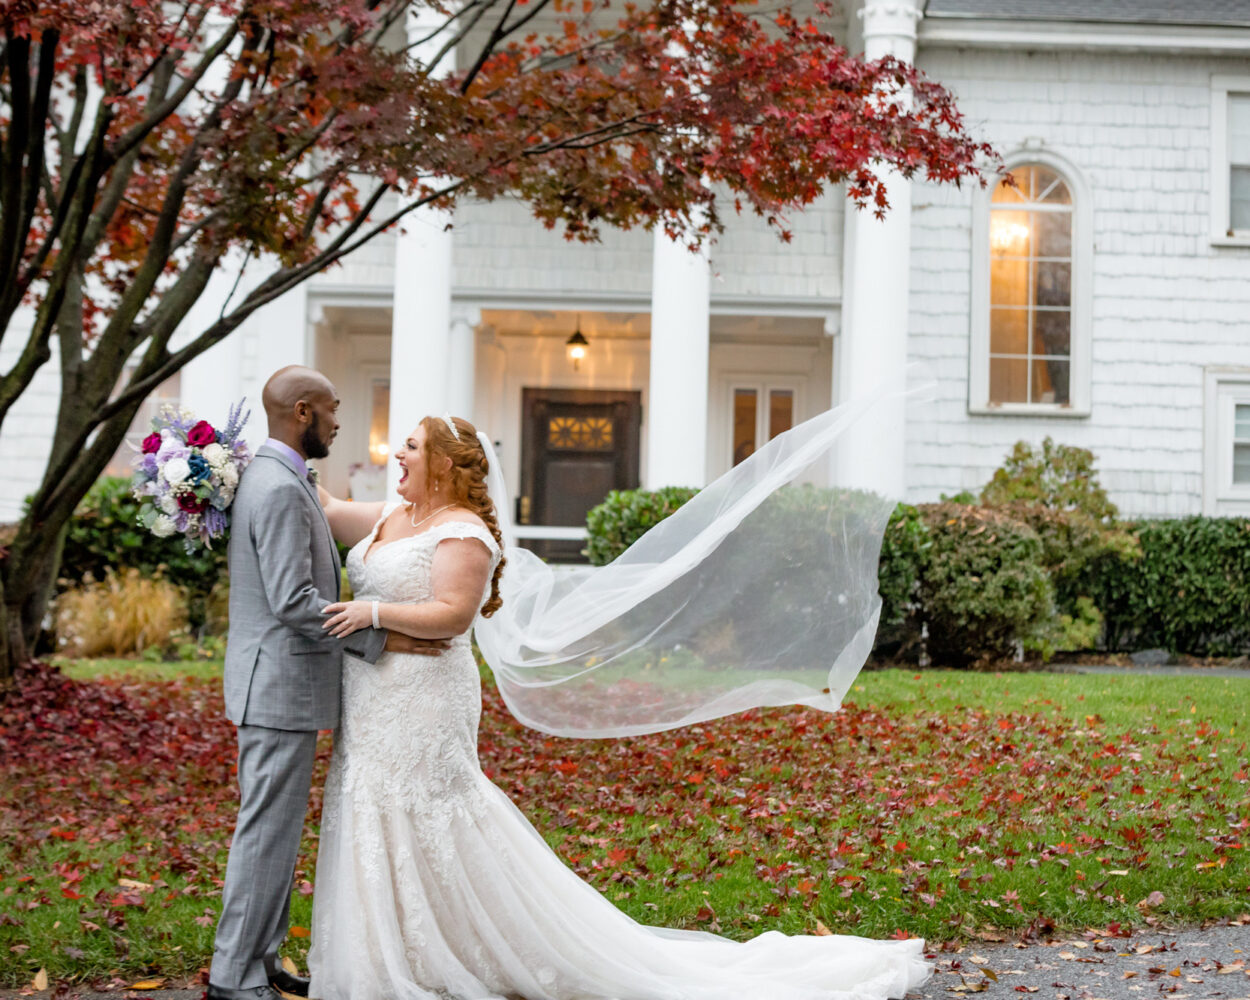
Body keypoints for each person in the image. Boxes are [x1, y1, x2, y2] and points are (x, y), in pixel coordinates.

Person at [308, 413, 930, 1000]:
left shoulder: (462, 532)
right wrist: (238, 462)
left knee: (426, 812)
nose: (399, 454)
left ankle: (457, 947)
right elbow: (329, 509)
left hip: (423, 700)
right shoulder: (392, 515)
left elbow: (453, 614)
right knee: (371, 805)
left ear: (443, 463)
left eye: (412, 446)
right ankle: (402, 949)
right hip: (373, 695)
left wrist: (373, 612)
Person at [208, 367, 449, 1000]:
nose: (343, 422)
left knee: (277, 835)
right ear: (305, 412)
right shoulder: (281, 488)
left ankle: (262, 958)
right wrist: (382, 639)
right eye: (335, 409)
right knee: (264, 835)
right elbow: (293, 601)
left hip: (278, 684)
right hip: (277, 687)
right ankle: (232, 977)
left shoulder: (281, 476)